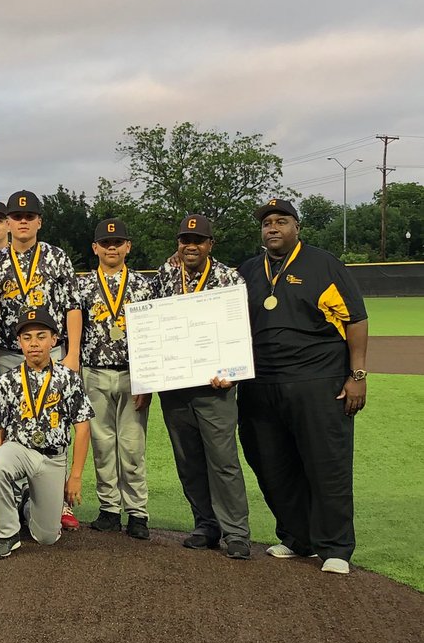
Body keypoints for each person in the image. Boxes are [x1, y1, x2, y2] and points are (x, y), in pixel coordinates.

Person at [237, 198, 368, 575]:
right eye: (267, 223)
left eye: (281, 221)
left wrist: (357, 375)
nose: (272, 228)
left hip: (318, 381)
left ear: (297, 227)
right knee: (271, 463)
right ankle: (299, 538)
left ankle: (336, 547)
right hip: (261, 385)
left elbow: (355, 319)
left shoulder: (323, 264)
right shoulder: (249, 270)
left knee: (327, 464)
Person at [151, 214, 252, 559]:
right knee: (188, 459)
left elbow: (239, 331)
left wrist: (233, 371)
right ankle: (206, 524)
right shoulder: (166, 273)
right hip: (175, 385)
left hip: (215, 387)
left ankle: (236, 533)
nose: (190, 246)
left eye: (198, 241)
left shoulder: (228, 277)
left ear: (210, 245)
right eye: (184, 240)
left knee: (223, 460)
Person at [0, 190, 83, 531]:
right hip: (7, 352)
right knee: (11, 424)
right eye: (17, 216)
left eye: (30, 216)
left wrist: (72, 353)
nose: (23, 221)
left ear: (39, 221)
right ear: (8, 222)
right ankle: (10, 500)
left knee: (53, 418)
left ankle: (53, 501)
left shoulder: (57, 257)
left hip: (52, 349)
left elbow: (73, 305)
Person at [0, 306, 93, 559]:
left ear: (54, 340)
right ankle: (7, 533)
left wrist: (75, 476)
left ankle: (30, 504)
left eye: (41, 336)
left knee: (47, 538)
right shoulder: (9, 380)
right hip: (19, 449)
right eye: (27, 337)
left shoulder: (68, 378)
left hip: (53, 457)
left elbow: (82, 426)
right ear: (19, 342)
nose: (34, 343)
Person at [78, 218, 155, 537]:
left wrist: (148, 379)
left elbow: (152, 333)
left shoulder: (142, 284)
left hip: (131, 374)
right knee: (102, 444)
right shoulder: (81, 285)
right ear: (95, 248)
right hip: (94, 372)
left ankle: (138, 512)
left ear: (128, 247)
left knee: (133, 446)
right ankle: (109, 508)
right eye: (105, 243)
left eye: (118, 242)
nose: (112, 247)